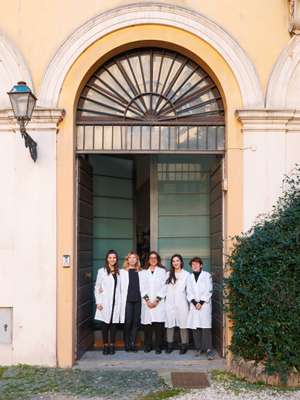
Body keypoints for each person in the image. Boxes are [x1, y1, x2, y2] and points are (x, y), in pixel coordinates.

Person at [186, 256, 216, 360]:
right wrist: (195, 302)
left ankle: (208, 349)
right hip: (194, 306)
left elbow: (209, 290)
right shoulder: (189, 277)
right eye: (193, 264)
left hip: (204, 305)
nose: (194, 266)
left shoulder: (207, 275)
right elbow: (188, 291)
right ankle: (199, 348)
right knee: (195, 327)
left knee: (205, 327)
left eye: (196, 264)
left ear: (201, 265)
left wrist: (201, 302)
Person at [94, 249, 121, 355]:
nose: (112, 259)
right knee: (105, 324)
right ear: (107, 259)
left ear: (116, 259)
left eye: (114, 258)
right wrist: (98, 302)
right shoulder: (101, 271)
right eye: (110, 257)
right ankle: (105, 345)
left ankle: (112, 345)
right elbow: (97, 287)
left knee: (113, 325)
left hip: (116, 301)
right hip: (105, 301)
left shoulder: (120, 271)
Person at [140, 251, 167, 354]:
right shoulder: (143, 272)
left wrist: (157, 300)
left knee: (158, 326)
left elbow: (164, 287)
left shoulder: (162, 271)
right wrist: (147, 300)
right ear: (148, 260)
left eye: (155, 258)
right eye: (151, 258)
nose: (153, 259)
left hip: (158, 303)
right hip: (147, 304)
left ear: (158, 259)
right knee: (147, 327)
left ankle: (158, 346)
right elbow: (142, 287)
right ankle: (148, 345)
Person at [165, 254, 190, 354]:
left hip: (182, 303)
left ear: (181, 262)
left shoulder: (186, 274)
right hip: (170, 303)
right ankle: (169, 345)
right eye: (173, 261)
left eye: (177, 261)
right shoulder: (168, 274)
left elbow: (189, 290)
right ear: (172, 263)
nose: (175, 263)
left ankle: (184, 345)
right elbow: (164, 289)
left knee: (183, 324)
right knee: (169, 324)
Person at [120, 252, 143, 352]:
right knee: (128, 322)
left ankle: (133, 343)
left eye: (135, 258)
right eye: (131, 258)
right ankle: (127, 343)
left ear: (137, 260)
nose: (133, 260)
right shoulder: (122, 272)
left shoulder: (141, 272)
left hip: (138, 300)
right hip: (127, 300)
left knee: (135, 322)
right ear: (127, 260)